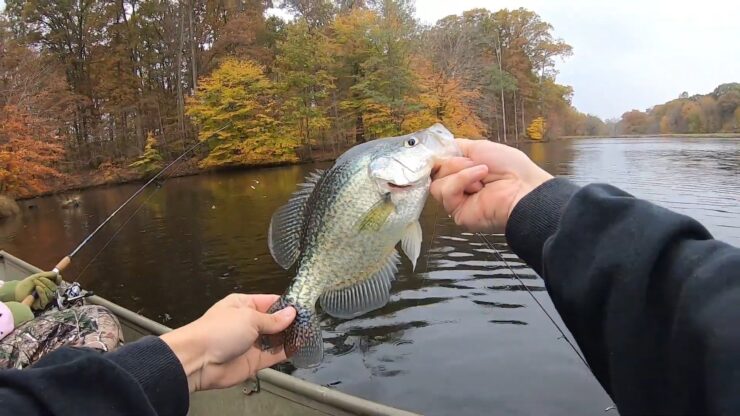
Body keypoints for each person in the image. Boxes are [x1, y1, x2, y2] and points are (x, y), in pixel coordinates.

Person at [1, 137, 738, 415]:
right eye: (416, 145)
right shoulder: (380, 181)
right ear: (396, 165)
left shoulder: (397, 186)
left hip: (366, 237)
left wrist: (534, 206)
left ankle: (302, 316)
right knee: (310, 292)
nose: (429, 148)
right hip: (344, 245)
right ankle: (305, 317)